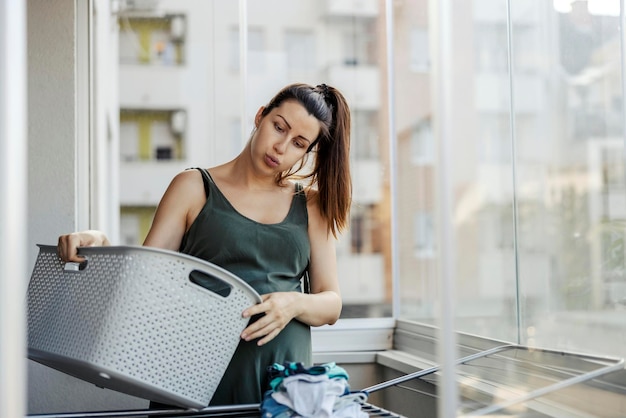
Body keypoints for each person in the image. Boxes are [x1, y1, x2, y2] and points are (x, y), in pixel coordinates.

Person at [57, 82, 352, 406]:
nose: (281, 147)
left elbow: (331, 303)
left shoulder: (311, 206)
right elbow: (142, 282)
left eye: (298, 143)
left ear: (306, 152)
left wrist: (293, 303)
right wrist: (100, 244)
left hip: (279, 393)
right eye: (278, 127)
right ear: (260, 116)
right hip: (191, 382)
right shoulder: (192, 187)